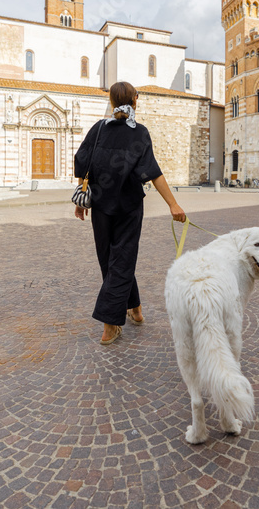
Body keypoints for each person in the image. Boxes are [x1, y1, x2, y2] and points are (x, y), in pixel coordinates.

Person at [74, 82, 187, 345]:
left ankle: (132, 309)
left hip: (102, 207)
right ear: (136, 99)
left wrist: (81, 199)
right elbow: (153, 171)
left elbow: (82, 162)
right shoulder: (139, 133)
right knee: (120, 260)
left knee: (111, 261)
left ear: (111, 101)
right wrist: (173, 204)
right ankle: (112, 322)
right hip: (128, 207)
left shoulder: (98, 128)